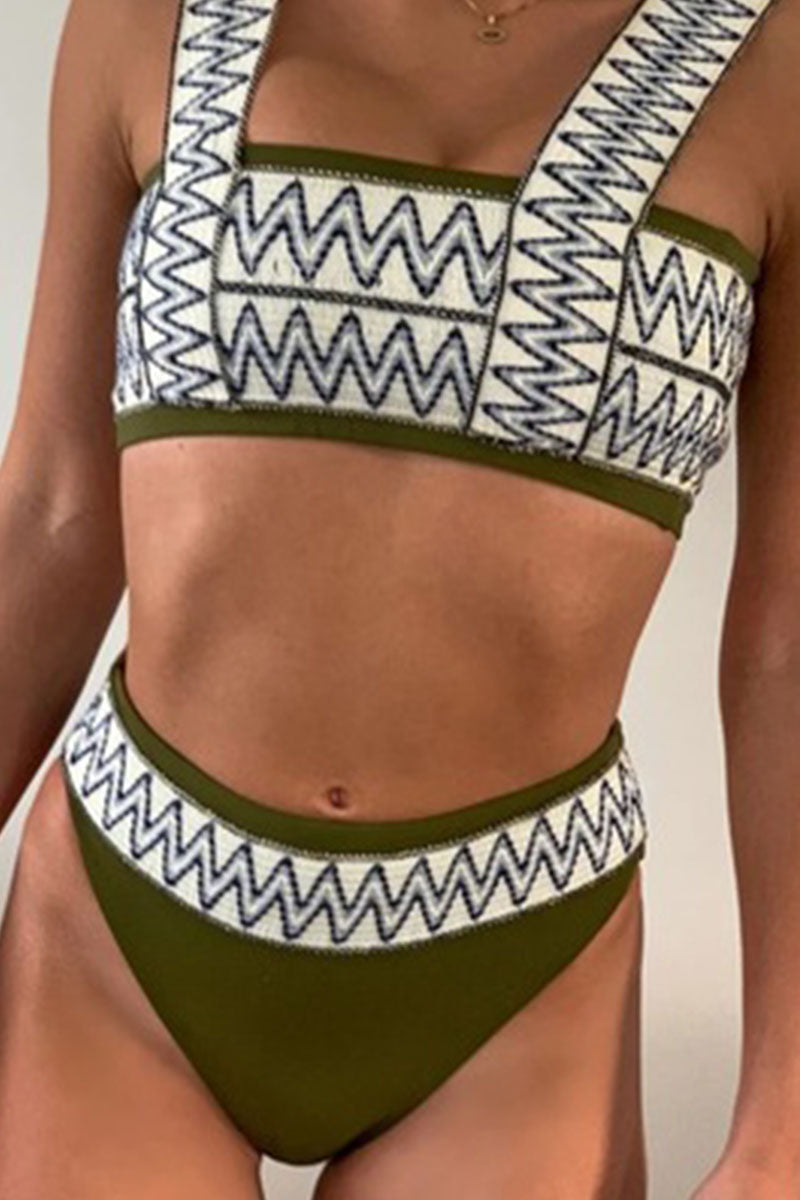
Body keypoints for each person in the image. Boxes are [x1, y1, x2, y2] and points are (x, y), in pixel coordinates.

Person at [0, 0, 798, 1196]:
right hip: (128, 921)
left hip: (516, 958)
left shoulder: (773, 62)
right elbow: (53, 515)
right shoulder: (149, 13)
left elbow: (786, 644)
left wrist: (784, 1127)